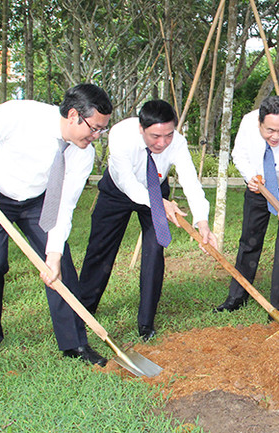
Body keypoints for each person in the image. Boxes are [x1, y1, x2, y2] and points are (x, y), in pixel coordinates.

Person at [0, 83, 113, 365]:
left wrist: (52, 255)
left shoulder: (82, 153)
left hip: (39, 201)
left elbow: (65, 204)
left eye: (102, 130)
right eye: (95, 128)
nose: (97, 136)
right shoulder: (21, 115)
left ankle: (74, 345)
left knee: (60, 267)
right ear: (75, 115)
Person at [79, 100, 217, 342]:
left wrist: (202, 222)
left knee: (155, 249)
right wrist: (159, 203)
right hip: (118, 192)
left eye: (168, 135)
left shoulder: (178, 143)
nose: (162, 143)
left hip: (155, 188)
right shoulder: (121, 135)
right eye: (155, 136)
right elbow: (127, 183)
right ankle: (84, 310)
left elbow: (191, 183)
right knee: (100, 251)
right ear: (141, 129)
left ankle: (146, 323)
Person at [214, 96, 279, 316]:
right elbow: (238, 155)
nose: (276, 136)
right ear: (259, 123)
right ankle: (237, 297)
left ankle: (277, 306)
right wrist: (251, 177)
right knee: (250, 240)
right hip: (258, 184)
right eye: (269, 130)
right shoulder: (248, 123)